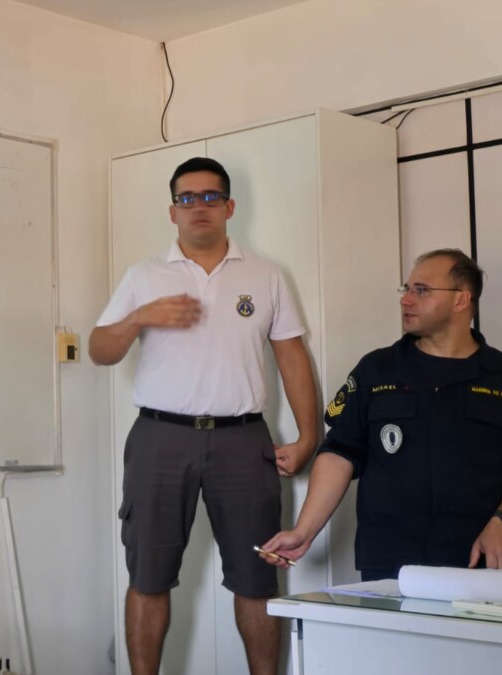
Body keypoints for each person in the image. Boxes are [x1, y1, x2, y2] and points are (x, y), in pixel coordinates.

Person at [90, 157, 318, 675]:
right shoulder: (144, 274)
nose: (199, 207)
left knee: (258, 578)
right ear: (173, 211)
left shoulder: (266, 275)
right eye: (187, 198)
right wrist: (141, 317)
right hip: (160, 438)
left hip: (243, 440)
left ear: (229, 207)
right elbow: (100, 350)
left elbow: (291, 357)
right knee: (148, 576)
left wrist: (308, 436)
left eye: (211, 197)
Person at [261, 249, 502, 579]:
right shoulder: (376, 370)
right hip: (388, 560)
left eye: (422, 290)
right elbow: (340, 454)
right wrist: (304, 531)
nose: (406, 300)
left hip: (476, 559)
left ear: (461, 299)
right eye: (407, 289)